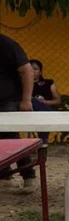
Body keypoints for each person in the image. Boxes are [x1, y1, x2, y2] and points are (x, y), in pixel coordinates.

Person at [0, 32, 36, 182]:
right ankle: (4, 175)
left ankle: (27, 174)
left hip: (8, 99)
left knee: (9, 136)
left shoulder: (6, 43)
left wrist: (26, 99)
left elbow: (27, 70)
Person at [29, 59, 61, 147]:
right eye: (30, 69)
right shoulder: (23, 84)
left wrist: (45, 102)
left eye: (35, 69)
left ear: (40, 71)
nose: (33, 71)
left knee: (42, 112)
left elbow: (58, 101)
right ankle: (43, 141)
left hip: (47, 110)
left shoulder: (48, 83)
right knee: (32, 100)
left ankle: (43, 141)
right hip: (30, 111)